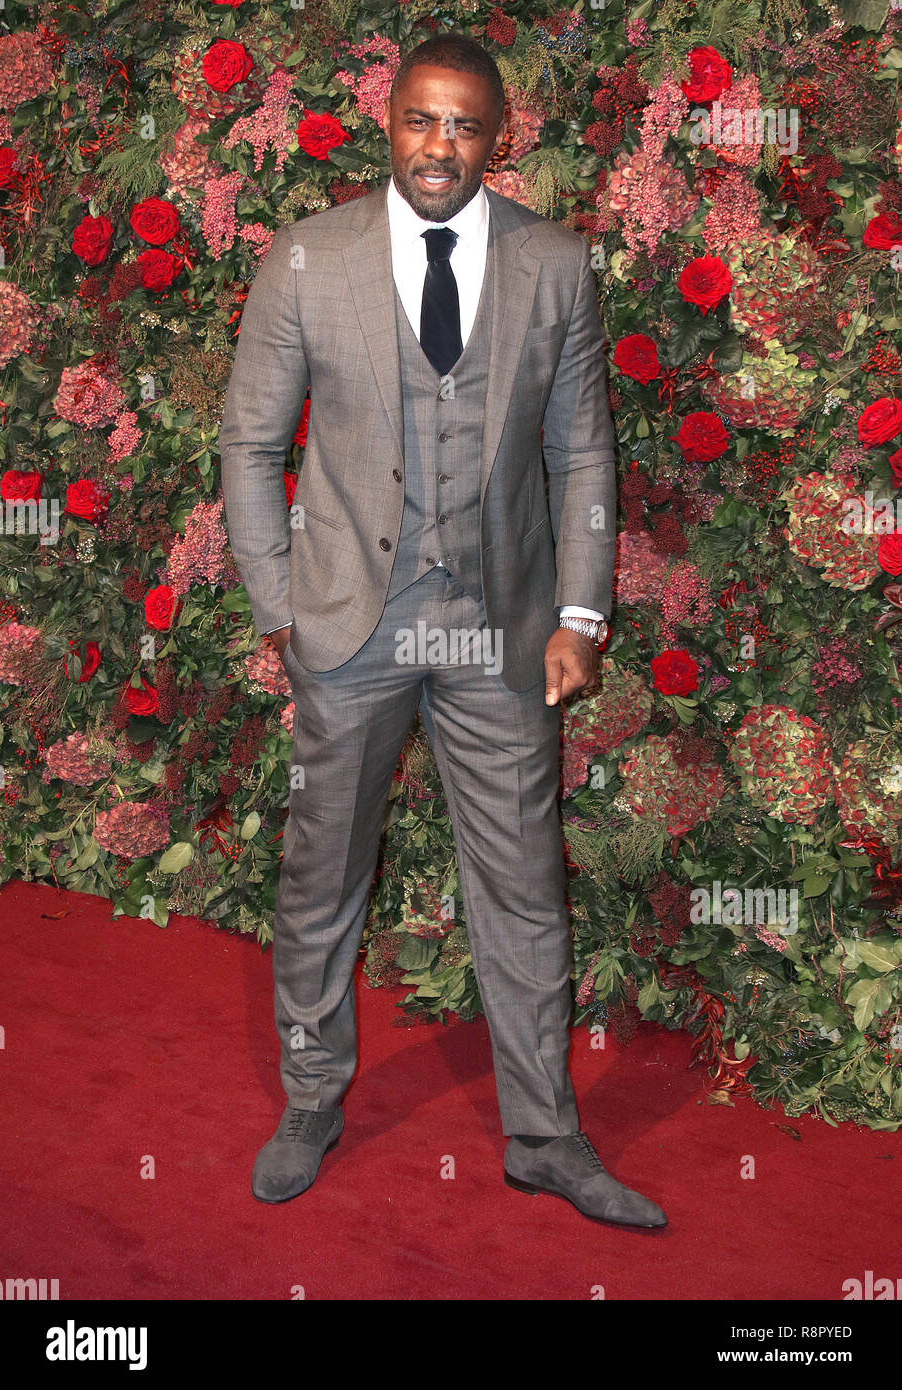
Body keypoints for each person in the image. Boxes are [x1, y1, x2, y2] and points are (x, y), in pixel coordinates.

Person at [219, 33, 666, 1229]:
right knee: (323, 875)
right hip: (352, 632)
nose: (440, 147)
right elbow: (251, 447)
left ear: (496, 135)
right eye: (422, 120)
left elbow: (581, 452)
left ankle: (544, 1135)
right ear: (389, 120)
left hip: (500, 631)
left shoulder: (555, 264)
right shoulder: (310, 259)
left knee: (522, 885)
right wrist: (283, 609)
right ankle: (313, 1096)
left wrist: (580, 611)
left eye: (464, 127)